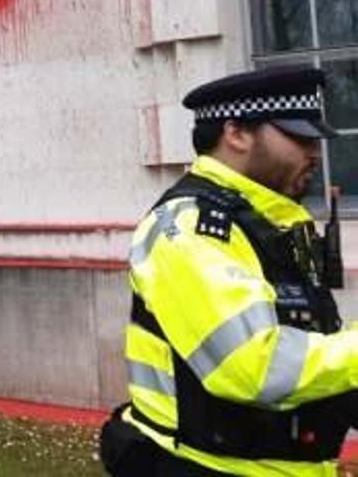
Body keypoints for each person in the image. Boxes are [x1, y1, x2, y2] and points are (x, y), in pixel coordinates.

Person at [100, 66, 358, 476]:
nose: (314, 152)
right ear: (236, 133)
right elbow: (253, 366)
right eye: (299, 137)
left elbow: (311, 344)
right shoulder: (190, 230)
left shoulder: (269, 223)